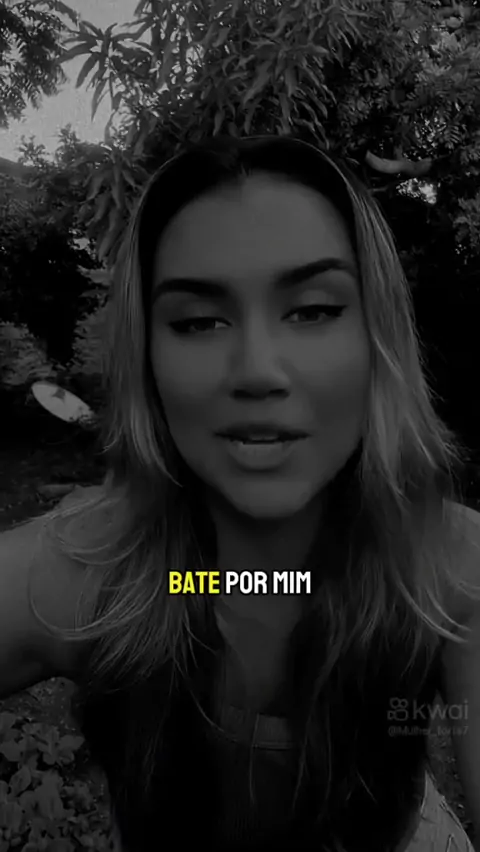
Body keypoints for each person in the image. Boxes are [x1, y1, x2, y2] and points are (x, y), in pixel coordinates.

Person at [1, 134, 479, 852]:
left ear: (378, 338)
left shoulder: (452, 567)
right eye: (198, 321)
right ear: (148, 357)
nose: (257, 370)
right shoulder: (90, 573)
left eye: (312, 310)